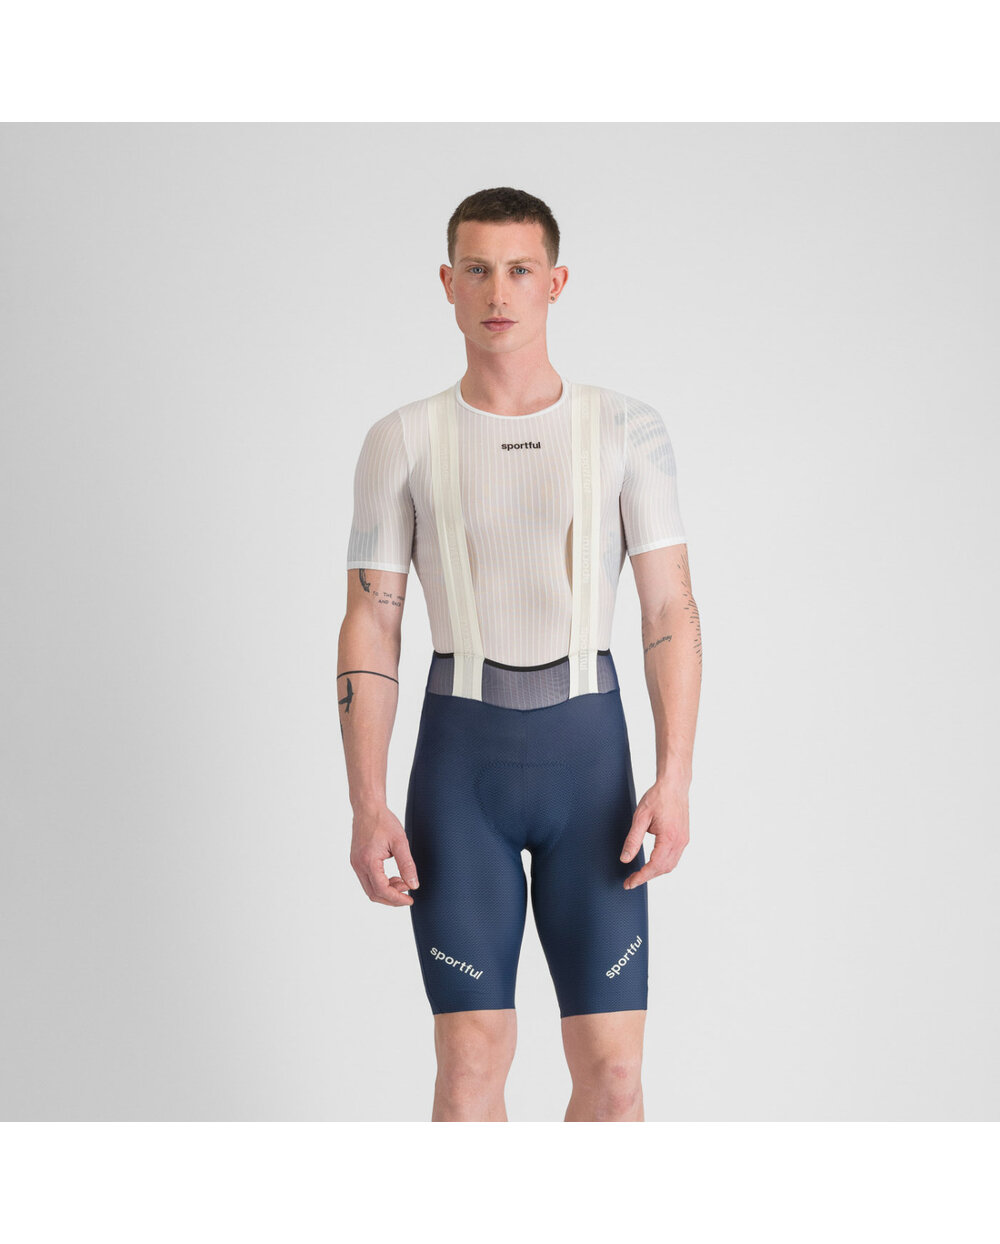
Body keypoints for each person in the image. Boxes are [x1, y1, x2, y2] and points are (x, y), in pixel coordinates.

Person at [338, 186, 702, 1122]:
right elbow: (371, 622)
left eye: (519, 269)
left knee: (614, 1074)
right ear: (448, 284)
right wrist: (367, 802)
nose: (498, 291)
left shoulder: (627, 430)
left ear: (556, 282)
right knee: (470, 1064)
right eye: (478, 269)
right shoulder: (402, 440)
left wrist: (674, 779)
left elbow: (669, 607)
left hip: (593, 769)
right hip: (462, 771)